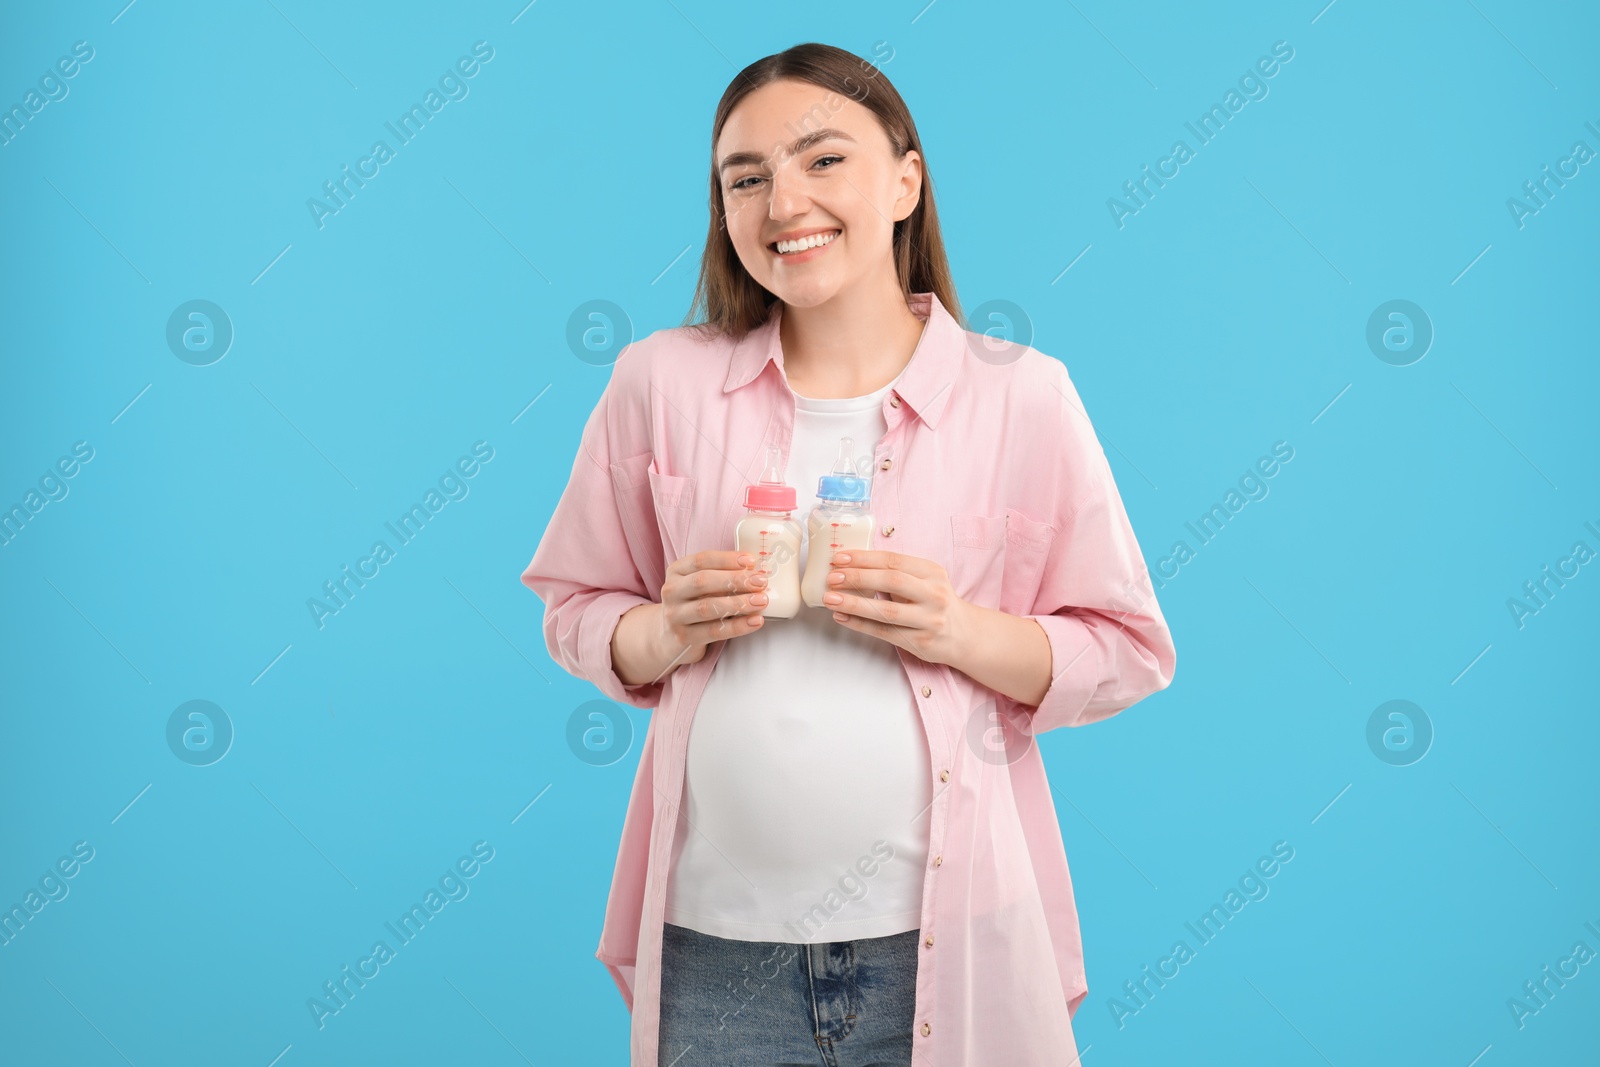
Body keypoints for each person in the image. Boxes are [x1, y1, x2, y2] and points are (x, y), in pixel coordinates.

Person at [520, 41, 1177, 1067]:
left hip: (947, 936)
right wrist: (660, 627)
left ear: (906, 180)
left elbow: (1127, 647)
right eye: (746, 177)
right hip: (716, 946)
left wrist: (959, 629)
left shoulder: (1022, 395)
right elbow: (574, 607)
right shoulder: (660, 383)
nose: (784, 201)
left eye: (823, 160)